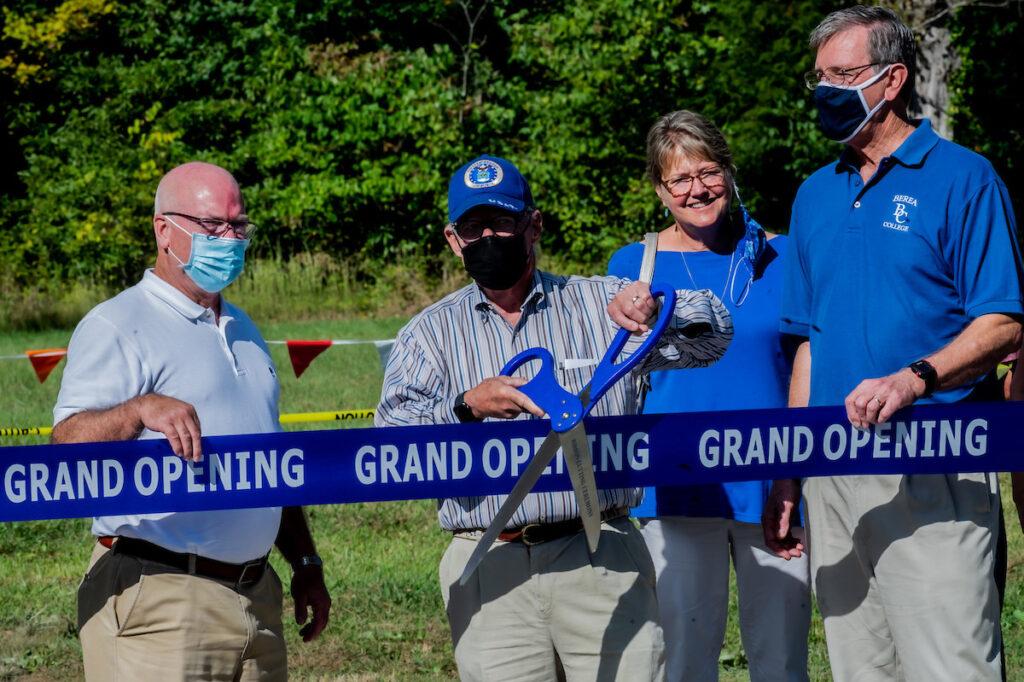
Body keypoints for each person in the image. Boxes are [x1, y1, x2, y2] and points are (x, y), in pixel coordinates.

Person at [375, 154, 734, 681]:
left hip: (601, 556)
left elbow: (715, 337)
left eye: (502, 221)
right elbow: (391, 445)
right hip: (490, 565)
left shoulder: (600, 304)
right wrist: (465, 407)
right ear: (454, 240)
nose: (489, 237)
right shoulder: (426, 335)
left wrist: (660, 310)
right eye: (473, 228)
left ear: (534, 225)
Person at [762, 6, 1023, 681]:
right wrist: (790, 464)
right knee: (860, 667)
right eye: (818, 77)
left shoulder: (965, 178)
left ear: (892, 80)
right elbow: (809, 344)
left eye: (842, 75)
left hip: (932, 458)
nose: (825, 91)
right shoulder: (815, 195)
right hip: (834, 471)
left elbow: (1004, 323)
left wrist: (915, 378)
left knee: (950, 665)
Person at [52, 162, 332, 681]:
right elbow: (66, 446)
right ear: (164, 230)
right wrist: (138, 409)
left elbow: (269, 457)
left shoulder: (244, 326)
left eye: (238, 226)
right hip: (159, 598)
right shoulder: (118, 323)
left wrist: (305, 564)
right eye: (212, 226)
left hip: (256, 597)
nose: (229, 239)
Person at [607, 110, 810, 682]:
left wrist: (792, 475)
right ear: (659, 190)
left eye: (708, 171)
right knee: (684, 661)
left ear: (729, 170)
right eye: (679, 179)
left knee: (782, 660)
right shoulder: (633, 265)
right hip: (675, 486)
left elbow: (805, 363)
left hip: (774, 483)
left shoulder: (782, 256)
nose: (697, 189)